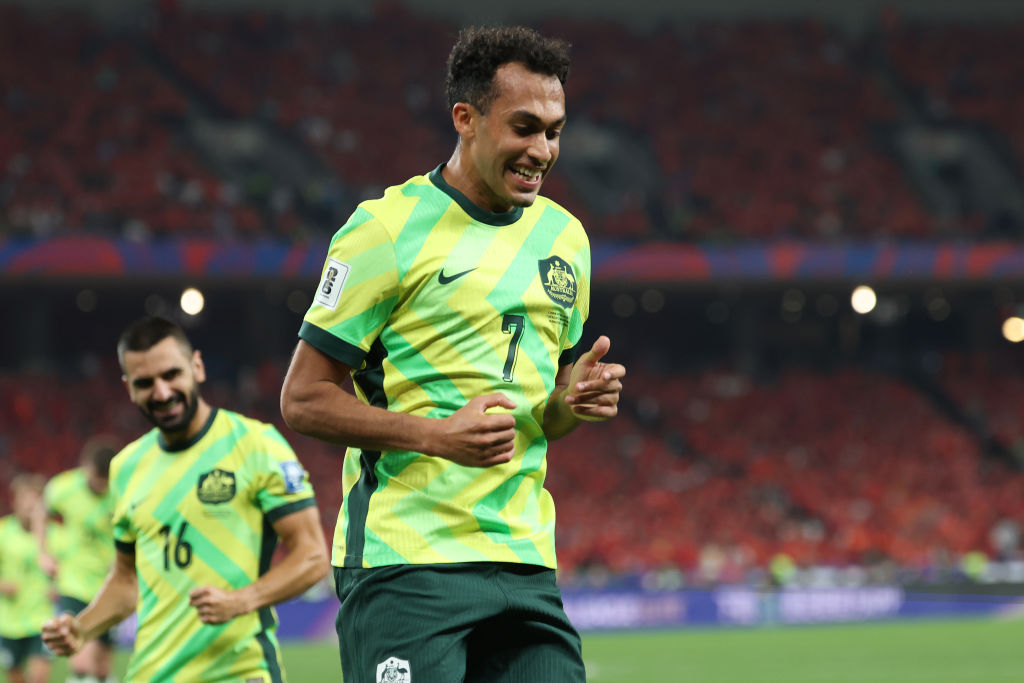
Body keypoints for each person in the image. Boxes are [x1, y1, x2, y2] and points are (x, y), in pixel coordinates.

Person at [280, 25, 625, 683]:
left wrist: (570, 403)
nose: (542, 150)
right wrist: (437, 436)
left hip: (523, 558)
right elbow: (303, 398)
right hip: (408, 560)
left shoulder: (566, 237)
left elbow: (538, 417)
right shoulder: (384, 229)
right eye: (524, 127)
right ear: (465, 118)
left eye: (554, 130)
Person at [43, 316, 329, 683]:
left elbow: (313, 556)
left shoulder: (256, 445)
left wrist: (242, 600)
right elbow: (126, 580)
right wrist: (81, 629)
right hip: (150, 674)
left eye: (171, 375)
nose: (161, 393)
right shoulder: (126, 467)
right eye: (145, 383)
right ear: (129, 388)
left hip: (238, 671)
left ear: (196, 367)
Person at [38, 436, 119, 683]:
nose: (101, 486)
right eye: (98, 480)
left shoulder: (121, 491)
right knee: (82, 661)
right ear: (86, 468)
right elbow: (40, 514)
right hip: (72, 582)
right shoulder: (63, 487)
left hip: (109, 585)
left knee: (103, 667)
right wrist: (43, 553)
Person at [0, 474, 55, 683]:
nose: (30, 506)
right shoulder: (3, 532)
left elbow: (67, 569)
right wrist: (3, 585)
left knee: (38, 678)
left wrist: (57, 587)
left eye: (35, 501)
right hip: (9, 622)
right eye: (26, 500)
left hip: (42, 619)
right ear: (15, 501)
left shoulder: (54, 534)